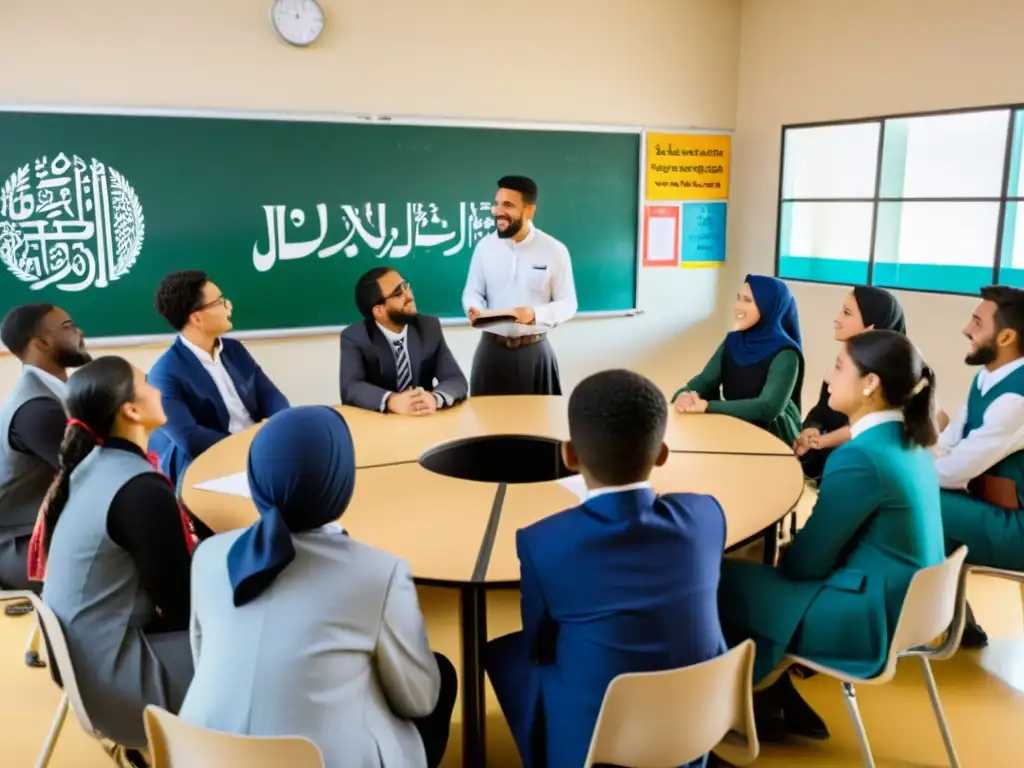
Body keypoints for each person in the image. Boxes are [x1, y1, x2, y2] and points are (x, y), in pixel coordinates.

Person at [180, 406, 457, 768]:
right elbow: (419, 701)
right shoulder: (377, 574)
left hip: (202, 754)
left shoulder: (209, 555)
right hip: (319, 760)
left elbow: (204, 660)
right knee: (440, 676)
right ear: (341, 480)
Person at [486, 369, 727, 768]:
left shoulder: (543, 542)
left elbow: (539, 644)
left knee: (505, 654)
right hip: (697, 727)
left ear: (569, 456)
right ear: (662, 453)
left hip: (595, 747)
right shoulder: (707, 516)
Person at [718, 330, 943, 741]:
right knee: (756, 578)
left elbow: (806, 565)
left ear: (870, 384)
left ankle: (725, 711)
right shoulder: (910, 439)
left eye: (839, 367)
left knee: (719, 580)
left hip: (867, 621)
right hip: (907, 608)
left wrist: (791, 552)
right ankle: (764, 695)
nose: (826, 376)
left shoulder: (860, 455)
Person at [40, 356, 195, 752]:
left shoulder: (92, 466)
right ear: (131, 410)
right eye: (147, 383)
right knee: (269, 646)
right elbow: (182, 606)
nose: (158, 388)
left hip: (89, 664)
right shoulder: (139, 488)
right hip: (121, 684)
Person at [935, 286, 1024, 648]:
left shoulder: (1016, 398)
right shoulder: (987, 377)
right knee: (917, 503)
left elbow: (954, 471)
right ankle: (957, 623)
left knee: (911, 496)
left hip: (1016, 528)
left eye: (976, 322)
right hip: (990, 509)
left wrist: (906, 465)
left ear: (1005, 336)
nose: (965, 329)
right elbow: (949, 442)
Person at [147, 270, 290, 485]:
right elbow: (191, 440)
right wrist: (250, 443)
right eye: (220, 302)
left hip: (262, 448)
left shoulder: (233, 349)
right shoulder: (165, 374)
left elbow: (270, 395)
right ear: (197, 318)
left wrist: (279, 425)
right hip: (215, 466)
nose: (228, 306)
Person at [0, 303, 90, 591]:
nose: (80, 332)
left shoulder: (57, 392)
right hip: (23, 545)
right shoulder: (37, 409)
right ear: (41, 343)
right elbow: (93, 475)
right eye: (69, 326)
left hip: (52, 529)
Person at [461, 175, 577, 396]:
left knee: (537, 427)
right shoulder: (484, 247)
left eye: (508, 205)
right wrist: (473, 307)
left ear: (529, 211)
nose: (497, 211)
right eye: (496, 204)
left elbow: (568, 303)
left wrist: (533, 314)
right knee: (487, 426)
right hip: (490, 351)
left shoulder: (555, 250)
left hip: (535, 352)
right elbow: (472, 291)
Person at [673, 274, 805, 446]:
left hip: (772, 434)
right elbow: (704, 380)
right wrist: (682, 396)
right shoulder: (733, 340)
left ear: (768, 306)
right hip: (736, 423)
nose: (737, 306)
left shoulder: (786, 353)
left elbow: (768, 408)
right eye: (738, 298)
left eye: (747, 300)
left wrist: (707, 406)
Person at [795, 286, 907, 481]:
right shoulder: (847, 360)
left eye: (847, 313)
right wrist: (811, 428)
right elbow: (822, 408)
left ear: (871, 328)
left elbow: (868, 426)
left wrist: (822, 441)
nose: (837, 320)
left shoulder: (888, 377)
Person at [340, 267, 468, 414]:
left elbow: (455, 379)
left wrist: (434, 398)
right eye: (398, 293)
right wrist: (392, 401)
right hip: (379, 426)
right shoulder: (356, 337)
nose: (409, 296)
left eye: (406, 286)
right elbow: (351, 387)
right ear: (379, 311)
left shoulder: (428, 327)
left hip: (424, 420)